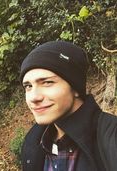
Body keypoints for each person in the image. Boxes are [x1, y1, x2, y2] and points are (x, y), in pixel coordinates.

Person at [19, 41, 117, 171]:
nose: (33, 97)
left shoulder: (111, 138)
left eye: (47, 82)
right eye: (28, 86)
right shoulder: (34, 141)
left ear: (76, 87)